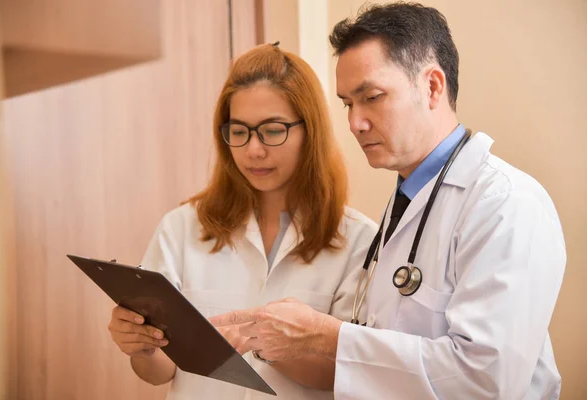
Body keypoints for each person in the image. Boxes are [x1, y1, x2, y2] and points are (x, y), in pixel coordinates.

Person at [210, 3, 566, 399]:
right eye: (348, 103)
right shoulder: (407, 202)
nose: (354, 123)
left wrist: (329, 338)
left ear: (432, 86)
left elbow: (487, 381)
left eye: (372, 97)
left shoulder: (505, 204)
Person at [106, 43, 377, 399]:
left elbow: (338, 371)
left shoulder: (359, 240)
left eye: (273, 130)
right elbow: (158, 372)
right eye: (238, 131)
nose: (254, 150)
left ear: (310, 132)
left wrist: (261, 340)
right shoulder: (182, 228)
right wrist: (142, 346)